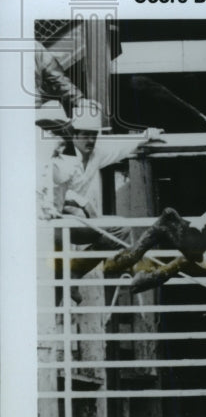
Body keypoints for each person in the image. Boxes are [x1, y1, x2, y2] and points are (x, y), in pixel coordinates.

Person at [51, 100, 161, 284]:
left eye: (94, 135)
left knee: (121, 228)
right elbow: (53, 194)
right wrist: (82, 202)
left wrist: (146, 135)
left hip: (79, 222)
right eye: (86, 135)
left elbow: (121, 146)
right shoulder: (60, 159)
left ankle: (76, 271)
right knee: (53, 271)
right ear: (74, 135)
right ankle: (66, 279)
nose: (91, 140)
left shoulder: (96, 153)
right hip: (54, 224)